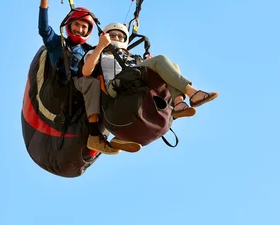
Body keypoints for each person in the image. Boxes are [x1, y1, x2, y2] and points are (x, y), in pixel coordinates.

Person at [81, 22, 219, 147]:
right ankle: (191, 93)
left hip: (132, 88)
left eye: (120, 36)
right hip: (114, 90)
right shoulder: (98, 52)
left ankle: (178, 102)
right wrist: (100, 46)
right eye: (112, 35)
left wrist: (149, 64)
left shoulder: (130, 57)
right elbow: (86, 71)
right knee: (160, 60)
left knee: (172, 66)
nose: (116, 38)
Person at [36, 0, 120, 155]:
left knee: (109, 78)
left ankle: (121, 124)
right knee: (92, 83)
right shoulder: (56, 43)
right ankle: (94, 136)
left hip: (80, 89)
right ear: (69, 25)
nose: (80, 29)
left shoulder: (88, 51)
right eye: (77, 25)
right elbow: (44, 29)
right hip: (62, 88)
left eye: (84, 27)